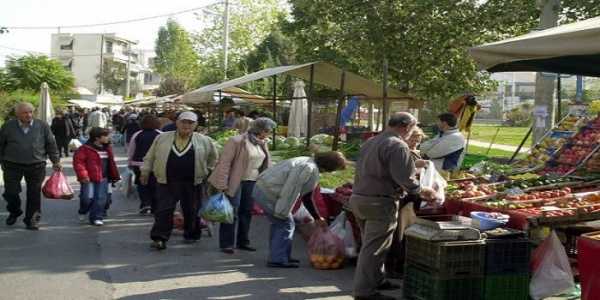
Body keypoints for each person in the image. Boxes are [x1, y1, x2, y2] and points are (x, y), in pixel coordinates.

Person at [350, 112, 437, 300]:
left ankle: (378, 279)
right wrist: (424, 190)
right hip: (379, 201)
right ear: (406, 127)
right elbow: (405, 179)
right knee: (374, 248)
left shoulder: (371, 141)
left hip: (359, 198)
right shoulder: (397, 145)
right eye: (412, 128)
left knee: (373, 243)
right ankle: (364, 292)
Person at [252, 151, 347, 268]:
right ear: (329, 165)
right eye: (334, 169)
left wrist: (317, 217)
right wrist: (282, 211)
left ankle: (280, 256)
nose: (332, 172)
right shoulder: (308, 168)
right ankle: (278, 259)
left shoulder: (308, 162)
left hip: (264, 189)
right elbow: (290, 191)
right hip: (268, 193)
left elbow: (307, 196)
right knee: (286, 224)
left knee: (280, 224)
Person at [141, 111, 218, 250]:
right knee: (164, 210)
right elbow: (150, 156)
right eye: (183, 121)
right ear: (177, 122)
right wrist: (145, 171)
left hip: (193, 181)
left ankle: (192, 234)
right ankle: (160, 238)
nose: (186, 125)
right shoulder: (162, 138)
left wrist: (208, 171)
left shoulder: (204, 140)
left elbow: (213, 158)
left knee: (192, 209)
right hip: (167, 180)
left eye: (190, 122)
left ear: (196, 125)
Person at [208, 118, 276, 254]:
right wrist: (222, 183)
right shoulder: (237, 141)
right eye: (267, 131)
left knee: (246, 212)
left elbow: (265, 163)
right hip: (235, 180)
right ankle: (226, 244)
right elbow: (224, 163)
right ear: (260, 129)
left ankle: (242, 241)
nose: (268, 134)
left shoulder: (262, 143)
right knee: (231, 213)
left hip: (252, 181)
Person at [0, 102, 62, 230]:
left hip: (36, 164)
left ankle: (32, 219)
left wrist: (55, 160)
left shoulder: (42, 125)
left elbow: (51, 143)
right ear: (17, 114)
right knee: (11, 192)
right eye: (25, 112)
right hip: (12, 164)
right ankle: (14, 210)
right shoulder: (8, 126)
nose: (29, 115)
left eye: (30, 112)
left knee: (34, 193)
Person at [384, 126, 428, 279]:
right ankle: (393, 267)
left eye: (418, 138)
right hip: (404, 198)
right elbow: (401, 173)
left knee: (406, 232)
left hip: (412, 198)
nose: (415, 141)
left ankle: (400, 265)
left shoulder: (415, 152)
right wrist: (417, 166)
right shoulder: (402, 152)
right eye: (413, 138)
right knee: (399, 233)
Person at [73, 127, 120, 226]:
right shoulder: (84, 149)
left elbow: (112, 163)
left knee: (100, 198)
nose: (108, 137)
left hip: (103, 177)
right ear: (97, 138)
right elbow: (78, 163)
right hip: (88, 178)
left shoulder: (107, 148)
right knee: (86, 198)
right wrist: (83, 176)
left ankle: (96, 217)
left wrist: (114, 176)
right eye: (106, 136)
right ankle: (83, 210)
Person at [128, 115, 162, 214]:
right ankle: (155, 206)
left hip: (138, 163)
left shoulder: (137, 134)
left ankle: (145, 203)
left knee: (141, 184)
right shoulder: (160, 134)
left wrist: (130, 162)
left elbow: (131, 150)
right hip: (155, 164)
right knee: (155, 184)